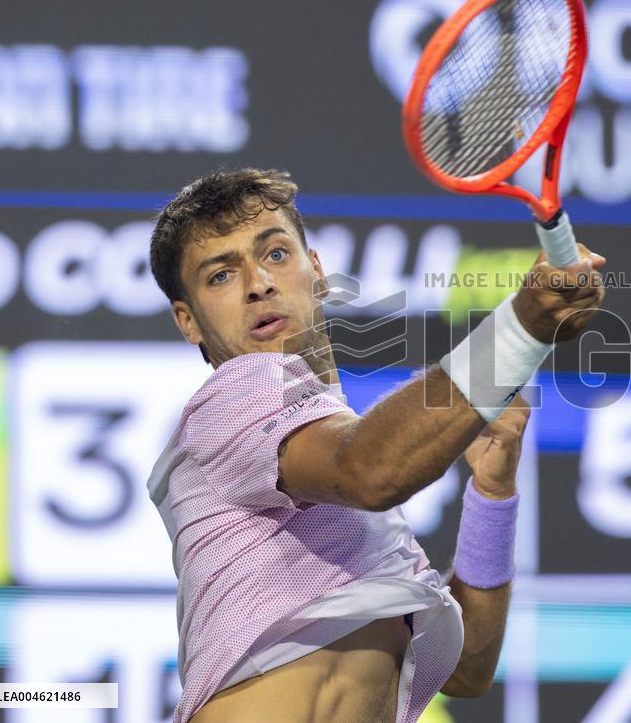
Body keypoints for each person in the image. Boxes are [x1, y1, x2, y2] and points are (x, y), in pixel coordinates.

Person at [146, 168, 606, 722]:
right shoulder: (237, 398)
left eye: (274, 254)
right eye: (220, 275)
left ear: (316, 272)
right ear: (188, 321)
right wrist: (524, 325)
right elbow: (371, 469)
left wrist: (491, 494)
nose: (257, 284)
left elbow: (467, 672)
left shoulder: (350, 506)